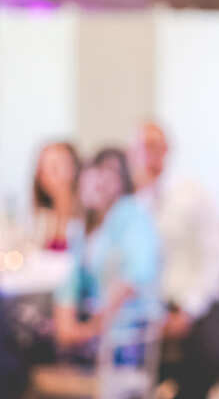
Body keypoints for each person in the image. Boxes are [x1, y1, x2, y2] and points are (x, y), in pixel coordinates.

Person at [127, 121, 219, 397]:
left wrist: (187, 310)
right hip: (148, 312)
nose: (148, 156)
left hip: (193, 308)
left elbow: (218, 261)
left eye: (155, 147)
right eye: (141, 148)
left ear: (167, 150)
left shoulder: (192, 195)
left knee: (202, 349)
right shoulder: (130, 207)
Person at [53, 148, 161, 365]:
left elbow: (135, 277)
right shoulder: (82, 231)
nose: (101, 182)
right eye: (98, 173)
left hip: (126, 335)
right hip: (94, 334)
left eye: (111, 174)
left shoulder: (129, 214)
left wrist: (92, 328)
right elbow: (67, 284)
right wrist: (69, 327)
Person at [32, 142, 81, 250]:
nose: (49, 173)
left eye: (56, 165)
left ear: (75, 168)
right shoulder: (41, 217)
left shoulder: (84, 218)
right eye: (44, 167)